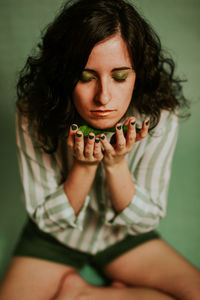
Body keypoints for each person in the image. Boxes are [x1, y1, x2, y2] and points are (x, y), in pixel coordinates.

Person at [0, 0, 199, 299]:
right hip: (52, 239)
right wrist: (85, 165)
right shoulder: (33, 111)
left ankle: (88, 294)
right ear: (64, 75)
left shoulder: (158, 114)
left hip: (122, 237)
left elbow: (146, 219)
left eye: (120, 77)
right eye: (85, 77)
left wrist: (117, 166)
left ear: (138, 74)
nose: (103, 97)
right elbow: (45, 218)